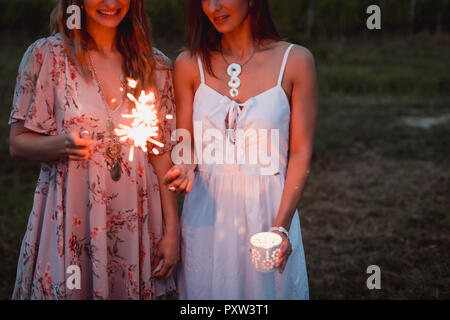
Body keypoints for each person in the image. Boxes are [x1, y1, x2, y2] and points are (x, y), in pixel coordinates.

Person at [9, 0, 179, 300]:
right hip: (72, 211)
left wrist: (171, 232)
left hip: (135, 219)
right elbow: (18, 142)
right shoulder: (48, 56)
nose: (111, 3)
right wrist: (61, 144)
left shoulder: (157, 65)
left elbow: (161, 153)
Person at [164, 0, 318, 299]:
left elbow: (301, 151)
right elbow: (184, 141)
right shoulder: (188, 64)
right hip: (206, 213)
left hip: (269, 211)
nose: (213, 7)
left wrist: (281, 227)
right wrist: (184, 164)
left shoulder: (296, 60)